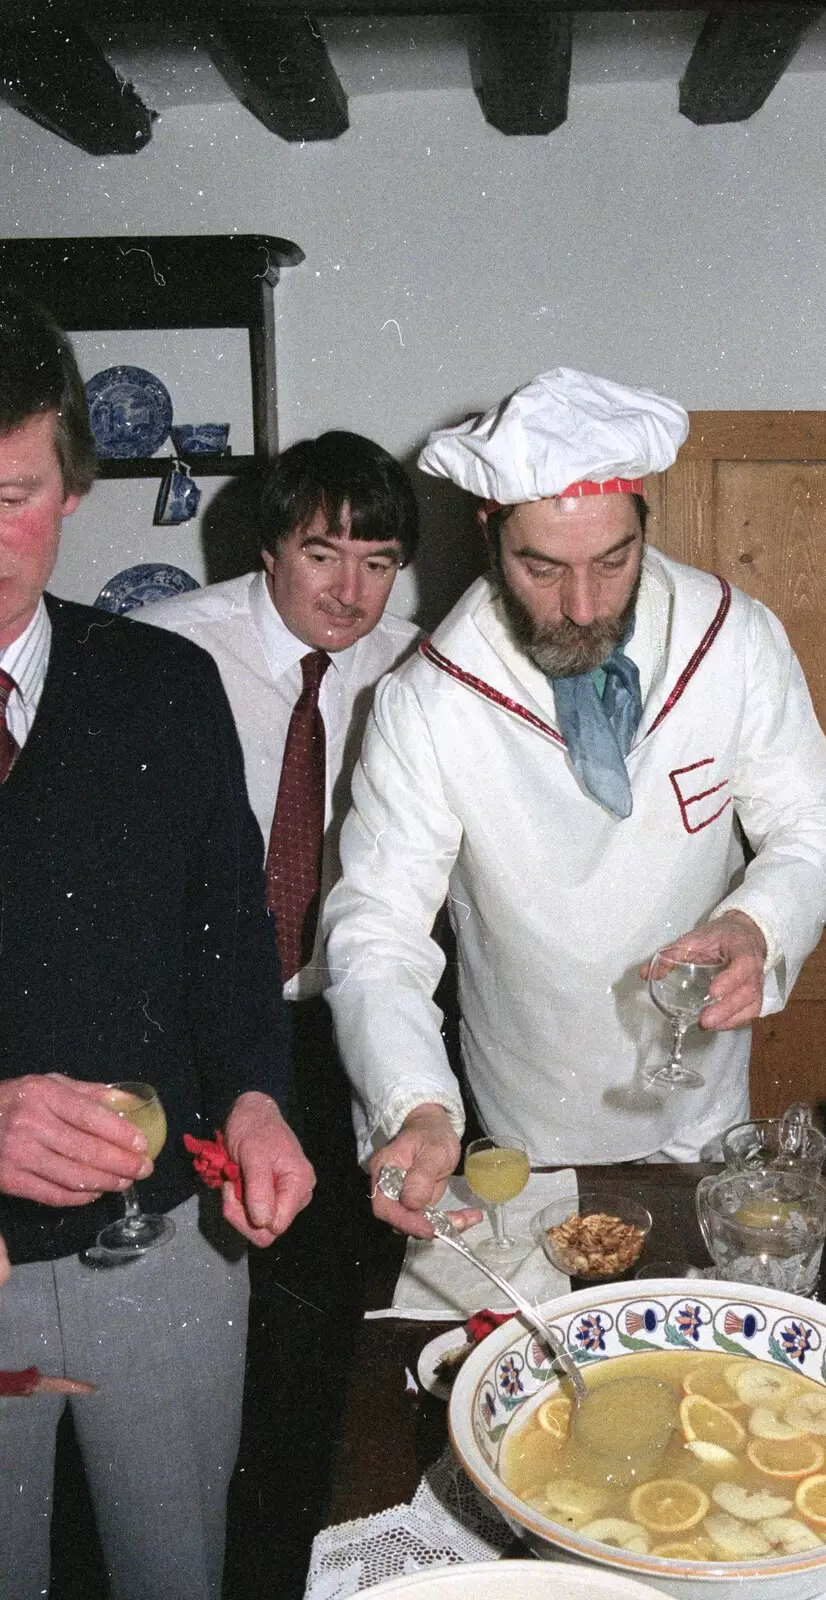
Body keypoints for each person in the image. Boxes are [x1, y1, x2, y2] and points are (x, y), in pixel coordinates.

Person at [323, 368, 826, 1236]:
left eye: (612, 561)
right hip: (528, 1117)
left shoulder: (732, 639)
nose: (581, 606)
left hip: (702, 1106)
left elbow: (816, 820)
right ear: (489, 533)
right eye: (541, 567)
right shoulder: (428, 701)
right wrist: (418, 1106)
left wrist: (759, 924)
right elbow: (377, 931)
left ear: (645, 523)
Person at [0, 294, 314, 1600]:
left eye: (10, 492)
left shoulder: (160, 683)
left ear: (72, 485)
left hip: (167, 1247)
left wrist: (254, 1099)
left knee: (178, 1574)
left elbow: (230, 944)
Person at [139, 432, 421, 1593]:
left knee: (332, 1320)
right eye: (321, 553)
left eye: (379, 559)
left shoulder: (420, 663)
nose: (350, 590)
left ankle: (305, 1550)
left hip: (351, 1019)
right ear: (268, 547)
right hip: (215, 1025)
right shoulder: (167, 654)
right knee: (210, 1321)